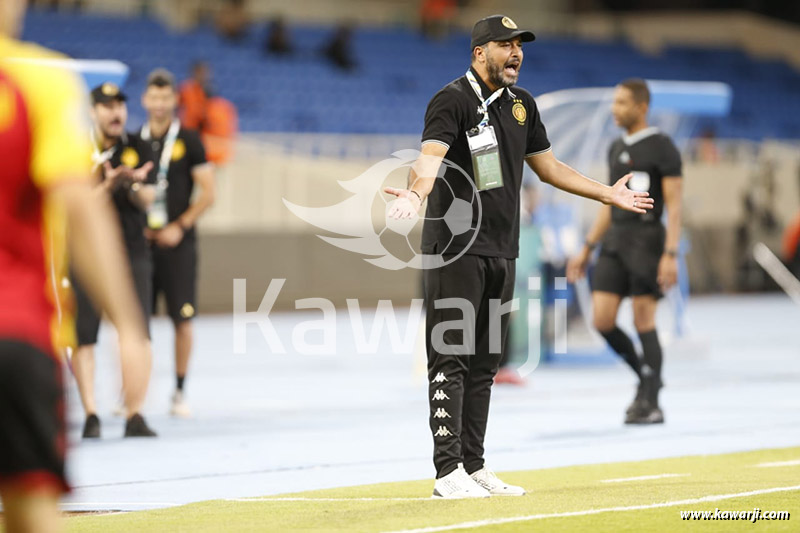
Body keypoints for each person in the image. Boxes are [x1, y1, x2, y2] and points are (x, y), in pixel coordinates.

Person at [385, 15, 653, 499]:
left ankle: (474, 466)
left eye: (519, 46)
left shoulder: (521, 105)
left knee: (485, 365)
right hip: (455, 250)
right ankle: (447, 472)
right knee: (450, 360)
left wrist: (606, 194)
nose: (516, 53)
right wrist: (416, 194)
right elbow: (429, 161)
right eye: (505, 45)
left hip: (502, 250)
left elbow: (549, 168)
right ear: (478, 53)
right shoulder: (452, 100)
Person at [0, 1, 149, 530]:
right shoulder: (38, 83)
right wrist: (129, 328)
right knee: (32, 510)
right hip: (15, 331)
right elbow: (81, 212)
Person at [567, 78, 683, 425]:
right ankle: (646, 377)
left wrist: (670, 253)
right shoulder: (616, 147)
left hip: (647, 241)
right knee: (602, 320)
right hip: (615, 241)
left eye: (621, 103)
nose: (614, 109)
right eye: (614, 102)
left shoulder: (663, 147)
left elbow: (675, 206)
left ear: (641, 107)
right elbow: (610, 202)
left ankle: (652, 402)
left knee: (643, 320)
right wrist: (588, 247)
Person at [71, 82, 158, 439]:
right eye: (107, 106)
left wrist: (132, 184)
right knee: (84, 334)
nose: (115, 112)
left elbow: (149, 199)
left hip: (132, 251)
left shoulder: (138, 146)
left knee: (137, 333)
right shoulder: (77, 150)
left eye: (120, 105)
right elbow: (73, 206)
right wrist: (107, 185)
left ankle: (134, 413)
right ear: (93, 111)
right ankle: (91, 413)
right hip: (86, 253)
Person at [141, 68, 215, 417]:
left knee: (182, 320)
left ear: (174, 100)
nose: (159, 103)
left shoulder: (190, 139)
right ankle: (133, 395)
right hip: (141, 246)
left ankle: (179, 390)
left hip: (178, 245)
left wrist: (179, 226)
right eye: (154, 97)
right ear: (145, 99)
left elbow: (208, 193)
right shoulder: (134, 141)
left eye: (165, 97)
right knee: (135, 324)